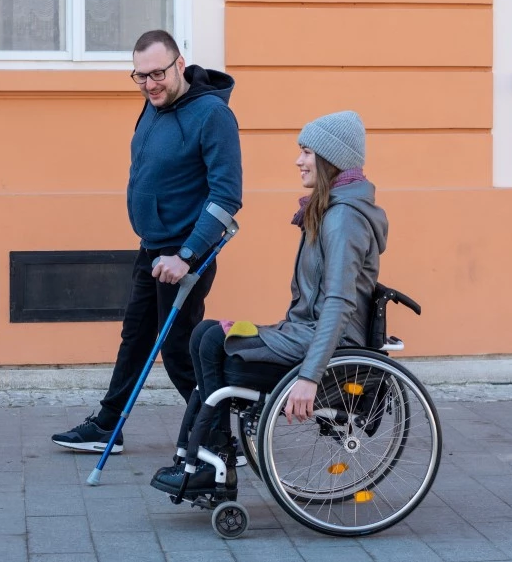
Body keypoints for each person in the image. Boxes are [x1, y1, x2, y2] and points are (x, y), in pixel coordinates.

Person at [150, 110, 388, 499]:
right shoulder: (330, 211)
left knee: (212, 343)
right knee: (205, 334)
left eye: (307, 152)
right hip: (302, 333)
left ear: (331, 159)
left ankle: (212, 466)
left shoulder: (344, 219)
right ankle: (206, 460)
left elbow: (339, 302)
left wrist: (309, 377)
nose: (299, 160)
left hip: (325, 349)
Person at [52, 30, 243, 453]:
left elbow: (227, 196)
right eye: (139, 76)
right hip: (152, 246)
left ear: (180, 64)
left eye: (157, 73)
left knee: (179, 351)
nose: (149, 84)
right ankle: (107, 425)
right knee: (136, 336)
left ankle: (222, 440)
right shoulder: (153, 102)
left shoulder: (212, 115)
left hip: (183, 254)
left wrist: (187, 256)